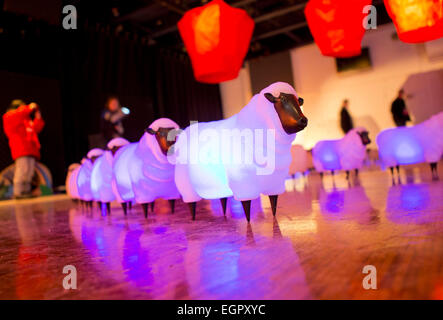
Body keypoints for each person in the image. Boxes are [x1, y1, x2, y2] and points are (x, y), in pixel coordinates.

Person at [2, 100, 45, 199]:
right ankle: (18, 192)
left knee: (28, 172)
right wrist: (29, 107)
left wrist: (38, 117)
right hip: (21, 150)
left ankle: (25, 191)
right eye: (21, 107)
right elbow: (19, 113)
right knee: (22, 171)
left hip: (30, 150)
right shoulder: (10, 117)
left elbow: (36, 128)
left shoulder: (25, 121)